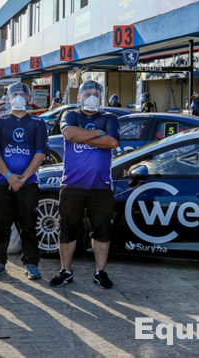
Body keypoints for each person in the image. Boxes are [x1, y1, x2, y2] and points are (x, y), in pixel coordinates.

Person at [51, 80, 120, 289]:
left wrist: (82, 137)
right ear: (79, 96)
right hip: (72, 185)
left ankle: (100, 272)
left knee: (101, 230)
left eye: (96, 94)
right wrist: (100, 133)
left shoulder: (109, 117)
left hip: (101, 186)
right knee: (68, 229)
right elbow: (69, 134)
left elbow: (112, 142)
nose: (92, 97)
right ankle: (66, 271)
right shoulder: (71, 115)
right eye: (88, 93)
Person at [0, 83, 47, 281]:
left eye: (22, 94)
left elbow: (40, 153)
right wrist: (9, 176)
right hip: (2, 182)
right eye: (15, 94)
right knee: (1, 224)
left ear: (28, 98)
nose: (19, 97)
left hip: (28, 183)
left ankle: (31, 263)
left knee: (28, 225)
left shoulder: (37, 123)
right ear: (8, 98)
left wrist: (24, 177)